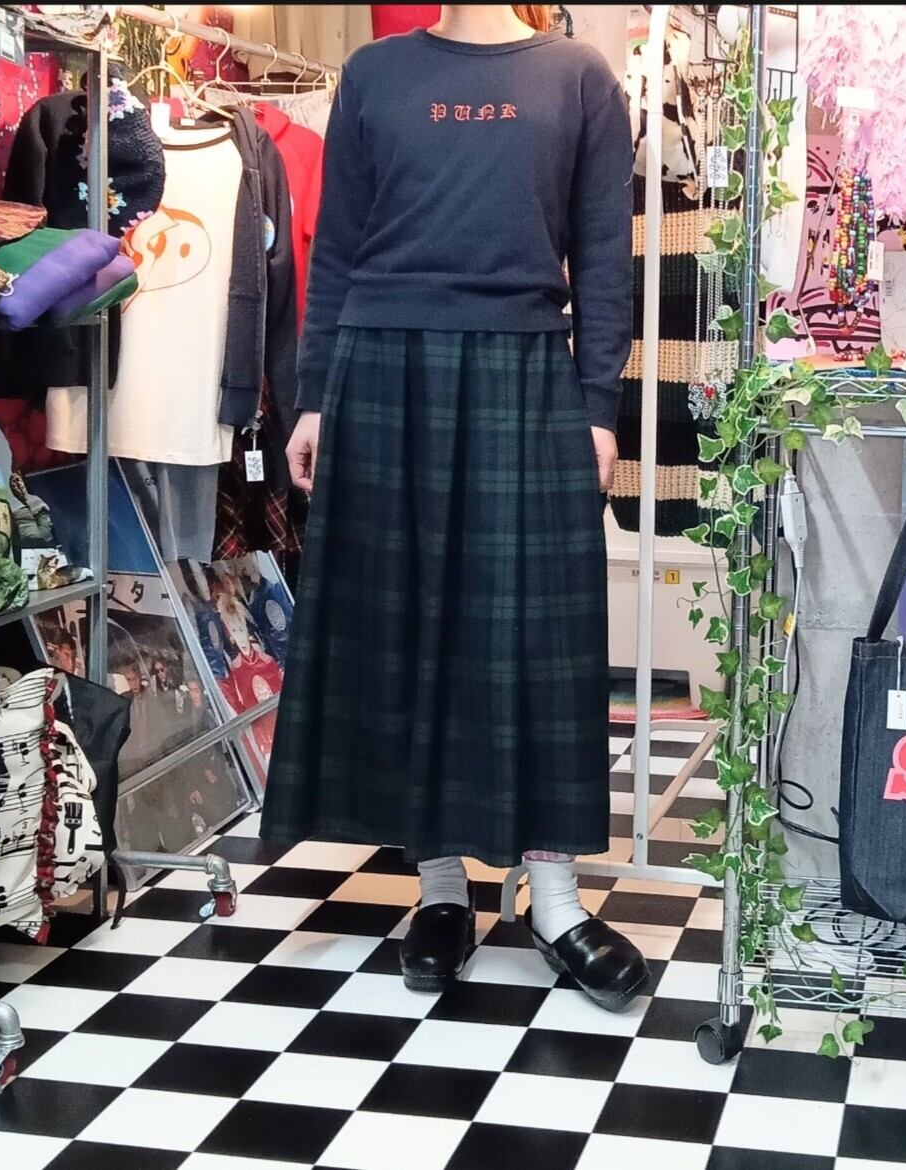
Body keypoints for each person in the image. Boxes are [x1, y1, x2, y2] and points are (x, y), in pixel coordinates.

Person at [261, 4, 647, 1009]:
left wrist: (597, 406)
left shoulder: (580, 77)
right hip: (381, 368)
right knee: (406, 630)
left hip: (527, 369)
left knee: (538, 637)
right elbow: (336, 252)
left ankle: (554, 899)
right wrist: (313, 396)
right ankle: (439, 890)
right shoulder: (373, 73)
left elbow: (605, 259)